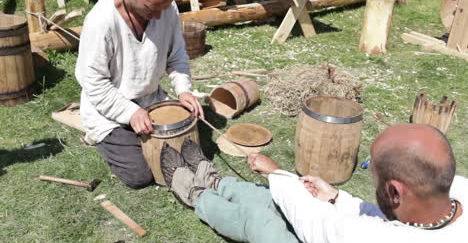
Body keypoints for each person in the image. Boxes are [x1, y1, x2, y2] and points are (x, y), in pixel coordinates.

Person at [161, 123, 467, 242]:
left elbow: (313, 221)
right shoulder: (455, 194)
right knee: (267, 198)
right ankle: (216, 182)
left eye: (371, 170)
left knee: (264, 223)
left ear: (395, 190)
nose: (368, 172)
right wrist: (337, 199)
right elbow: (395, 218)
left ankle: (196, 194)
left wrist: (276, 172)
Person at [75, 0, 204, 189]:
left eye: (164, 7)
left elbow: (177, 55)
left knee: (190, 156)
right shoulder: (101, 21)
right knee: (140, 176)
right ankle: (101, 138)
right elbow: (94, 83)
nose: (159, 16)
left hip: (151, 99)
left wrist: (183, 91)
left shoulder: (166, 7)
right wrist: (130, 113)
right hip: (107, 109)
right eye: (152, 8)